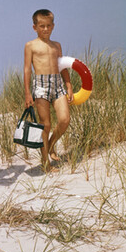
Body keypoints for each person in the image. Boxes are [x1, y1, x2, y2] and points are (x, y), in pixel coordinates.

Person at [23, 9, 74, 169]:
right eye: (42, 26)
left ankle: (51, 144)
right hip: (40, 84)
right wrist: (27, 93)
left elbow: (62, 66)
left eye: (48, 26)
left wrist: (69, 85)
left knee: (65, 120)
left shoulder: (56, 45)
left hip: (57, 83)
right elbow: (26, 69)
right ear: (35, 27)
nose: (45, 29)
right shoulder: (30, 45)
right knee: (46, 124)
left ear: (53, 26)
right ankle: (45, 162)